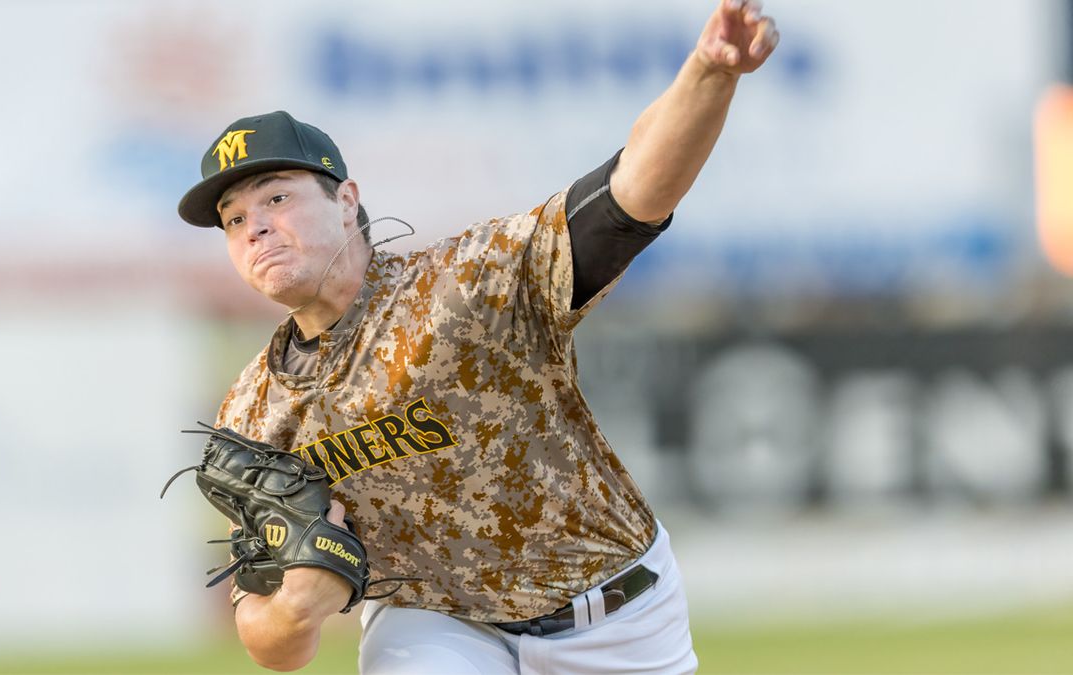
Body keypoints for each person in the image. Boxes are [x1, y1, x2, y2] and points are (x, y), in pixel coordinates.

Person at [176, 1, 778, 672]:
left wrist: (710, 73)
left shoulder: (463, 288)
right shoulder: (255, 412)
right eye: (232, 219)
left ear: (347, 200)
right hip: (436, 622)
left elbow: (628, 196)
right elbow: (266, 637)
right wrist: (294, 608)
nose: (253, 226)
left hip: (613, 613)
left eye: (275, 197)